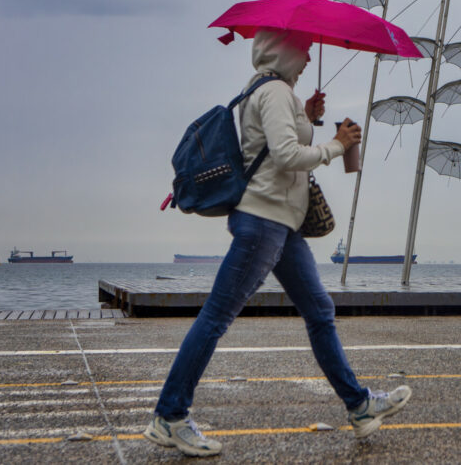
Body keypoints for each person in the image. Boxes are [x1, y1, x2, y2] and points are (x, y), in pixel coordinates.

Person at [144, 29, 411, 457]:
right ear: (283, 52)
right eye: (303, 50)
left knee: (320, 311)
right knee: (215, 318)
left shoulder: (274, 92)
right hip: (262, 222)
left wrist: (307, 115)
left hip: (280, 226)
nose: (307, 58)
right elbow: (287, 155)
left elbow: (278, 143)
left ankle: (359, 406)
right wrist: (336, 146)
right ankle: (169, 416)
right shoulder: (272, 92)